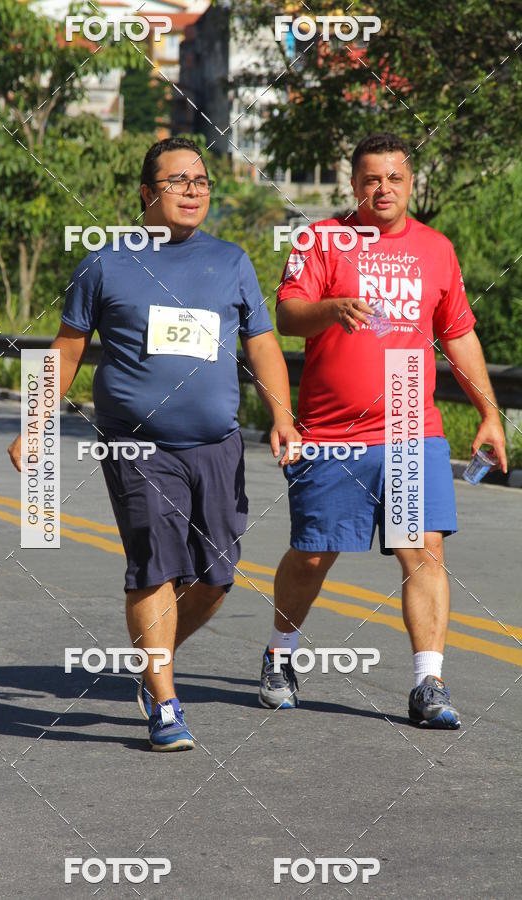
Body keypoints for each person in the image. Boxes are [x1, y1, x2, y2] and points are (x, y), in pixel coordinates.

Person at [9, 137, 300, 751]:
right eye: (179, 181)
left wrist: (284, 415)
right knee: (154, 565)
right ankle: (165, 700)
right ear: (147, 192)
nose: (194, 190)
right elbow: (67, 349)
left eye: (201, 181)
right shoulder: (105, 264)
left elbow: (263, 344)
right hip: (136, 443)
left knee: (217, 576)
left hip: (217, 443)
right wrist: (36, 422)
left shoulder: (232, 261)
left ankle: (151, 662)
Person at [259, 132, 507, 728]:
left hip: (408, 424)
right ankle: (280, 653)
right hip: (330, 431)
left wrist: (491, 413)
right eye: (372, 179)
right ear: (354, 184)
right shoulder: (323, 238)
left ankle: (429, 682)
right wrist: (331, 307)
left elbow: (459, 335)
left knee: (423, 550)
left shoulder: (436, 250)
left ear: (410, 183)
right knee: (315, 554)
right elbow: (287, 314)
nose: (383, 188)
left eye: (394, 178)